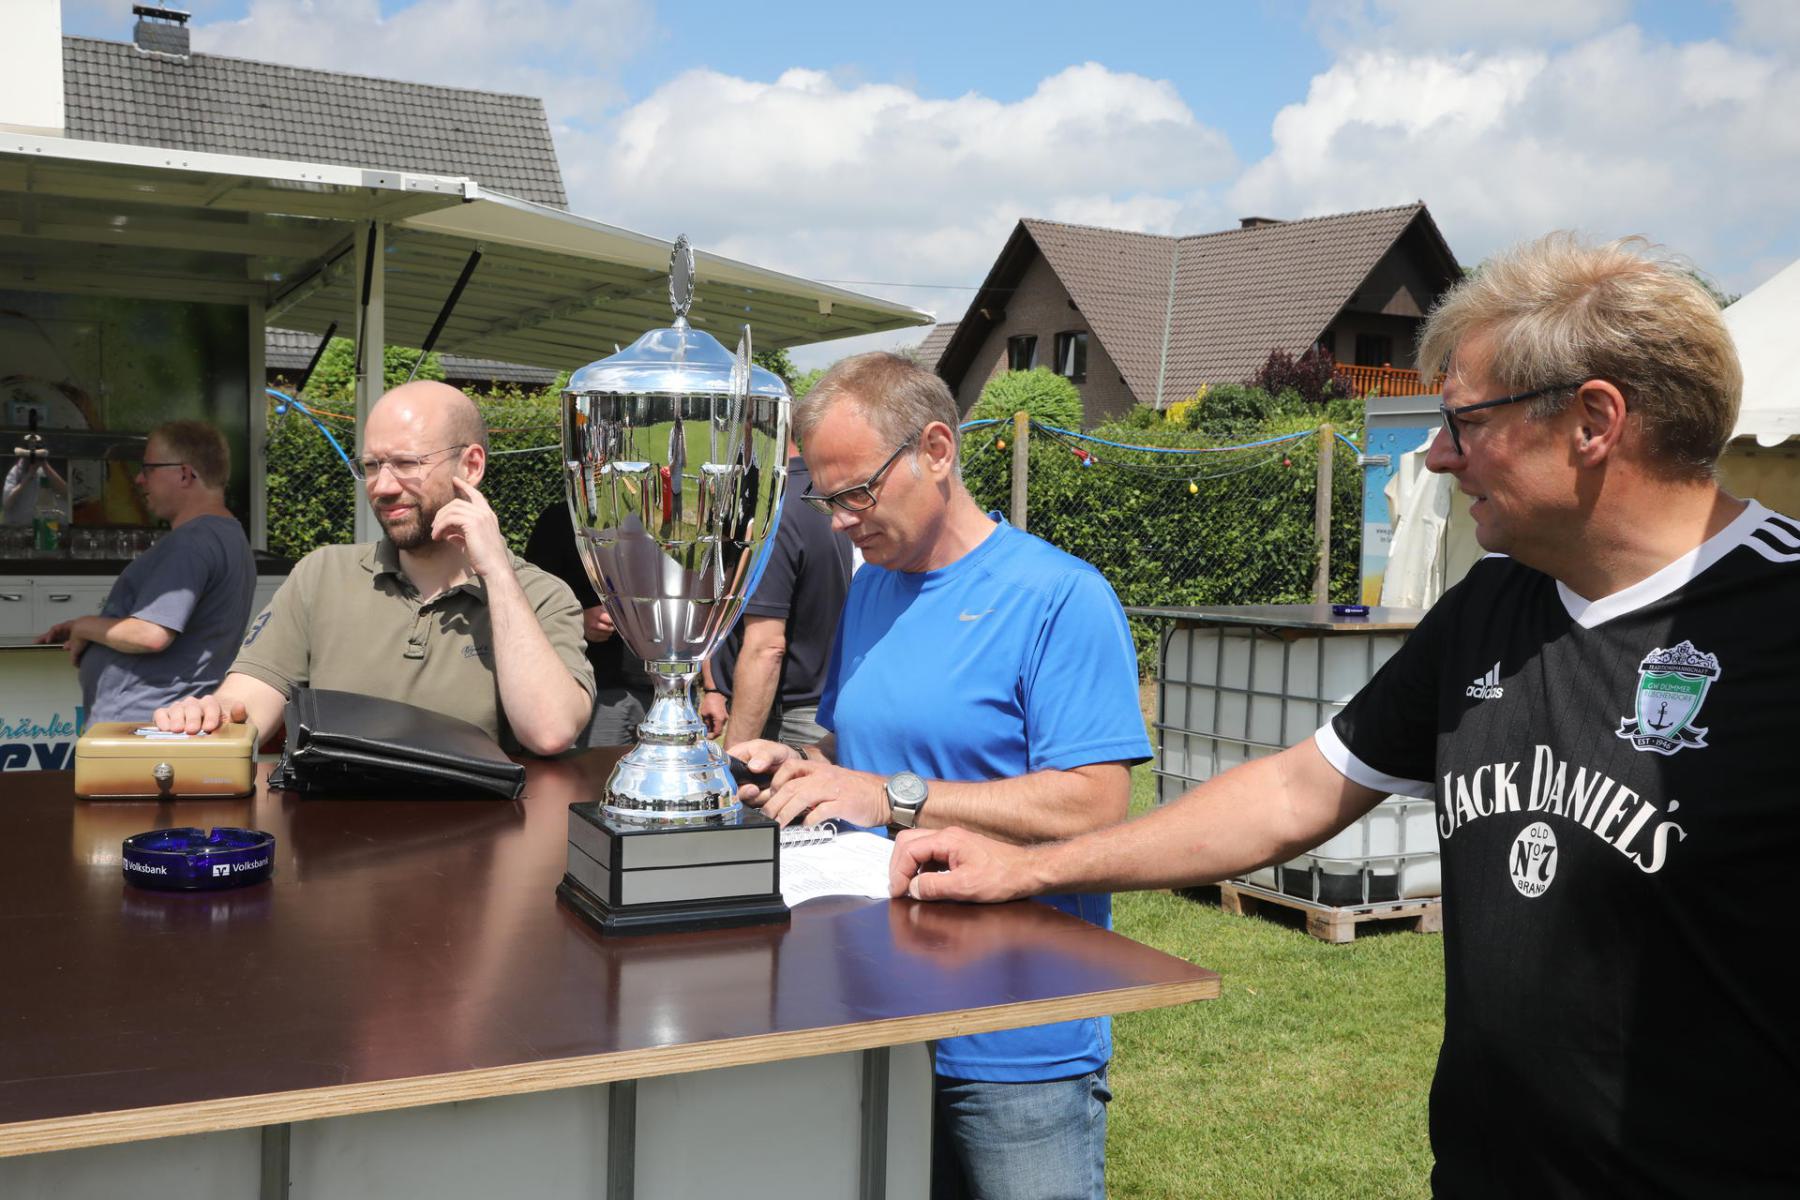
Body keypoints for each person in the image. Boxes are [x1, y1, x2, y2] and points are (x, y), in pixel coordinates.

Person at [891, 234, 1800, 1198]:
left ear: (1593, 421)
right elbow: (1297, 791)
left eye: (1463, 421)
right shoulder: (1492, 605)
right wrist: (1029, 868)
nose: (1437, 456)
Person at [729, 352, 1149, 1200]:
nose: (840, 522)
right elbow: (860, 761)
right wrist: (806, 770)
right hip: (877, 1017)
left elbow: (1096, 802)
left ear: (936, 450)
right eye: (827, 499)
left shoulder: (1060, 598)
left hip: (1016, 1037)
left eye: (857, 493)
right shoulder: (873, 591)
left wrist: (892, 796)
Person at [154, 381, 594, 755]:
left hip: (480, 832)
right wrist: (208, 714)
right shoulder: (322, 576)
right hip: (331, 831)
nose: (382, 487)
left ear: (471, 465)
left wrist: (496, 573)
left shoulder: (539, 596)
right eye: (370, 466)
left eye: (406, 463)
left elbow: (550, 732)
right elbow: (246, 705)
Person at [34, 421, 255, 723]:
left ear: (185, 474)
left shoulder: (191, 542)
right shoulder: (228, 534)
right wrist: (92, 628)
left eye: (148, 468)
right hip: (169, 720)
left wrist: (85, 626)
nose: (139, 479)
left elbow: (150, 634)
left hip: (145, 724)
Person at [699, 435, 853, 750]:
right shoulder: (818, 490)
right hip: (817, 706)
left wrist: (736, 762)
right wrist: (715, 687)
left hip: (789, 721)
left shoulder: (773, 506)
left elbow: (766, 648)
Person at [523, 499, 656, 746]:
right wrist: (578, 619)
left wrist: (712, 689)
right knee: (601, 769)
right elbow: (532, 598)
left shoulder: (665, 517)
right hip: (602, 687)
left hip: (666, 684)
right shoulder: (563, 518)